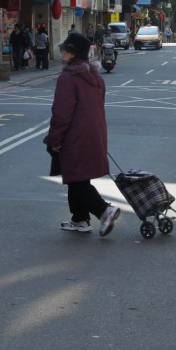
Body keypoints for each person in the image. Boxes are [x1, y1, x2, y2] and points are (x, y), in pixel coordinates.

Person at [44, 31, 121, 237]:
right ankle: (79, 219)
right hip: (95, 132)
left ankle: (104, 210)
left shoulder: (68, 78)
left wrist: (55, 139)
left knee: (75, 178)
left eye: (65, 50)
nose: (62, 53)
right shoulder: (95, 76)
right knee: (77, 174)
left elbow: (61, 113)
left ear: (73, 53)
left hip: (75, 135)